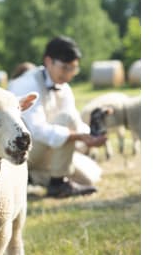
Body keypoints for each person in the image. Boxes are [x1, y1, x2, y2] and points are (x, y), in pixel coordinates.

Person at [7, 36, 107, 198]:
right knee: (65, 119)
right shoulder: (27, 83)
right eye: (65, 68)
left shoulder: (64, 88)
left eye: (73, 69)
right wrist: (78, 136)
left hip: (48, 150)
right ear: (48, 61)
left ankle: (31, 177)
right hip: (22, 150)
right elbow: (36, 130)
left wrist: (90, 136)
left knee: (87, 179)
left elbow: (76, 121)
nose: (69, 74)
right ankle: (57, 184)